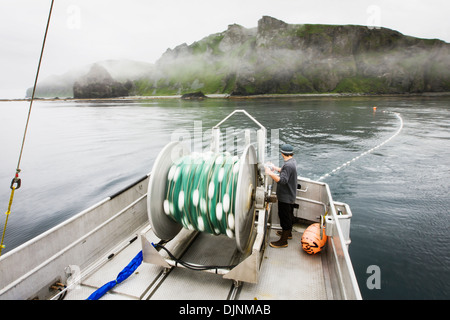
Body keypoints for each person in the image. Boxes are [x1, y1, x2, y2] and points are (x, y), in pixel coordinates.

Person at [265, 144, 297, 248]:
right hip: (290, 195)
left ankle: (283, 241)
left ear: (282, 153)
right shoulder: (291, 162)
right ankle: (288, 234)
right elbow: (285, 171)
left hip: (285, 197)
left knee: (284, 218)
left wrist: (270, 173)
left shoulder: (288, 165)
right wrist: (275, 168)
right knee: (289, 216)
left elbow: (283, 180)